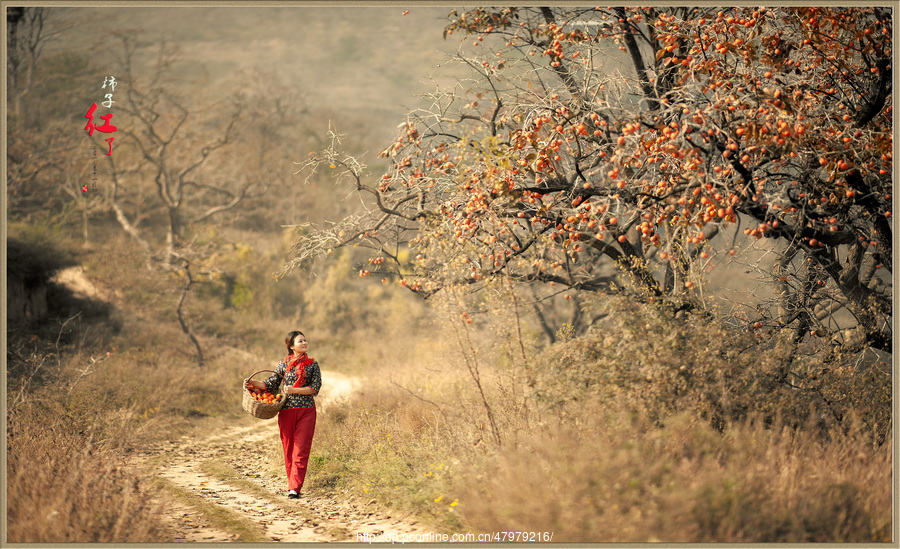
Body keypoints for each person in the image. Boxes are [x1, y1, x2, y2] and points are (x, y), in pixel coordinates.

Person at [244, 330, 322, 499]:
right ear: (291, 346)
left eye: (305, 340)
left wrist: (294, 390)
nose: (304, 342)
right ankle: (292, 483)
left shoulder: (313, 364)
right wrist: (251, 382)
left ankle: (295, 488)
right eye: (300, 341)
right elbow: (269, 385)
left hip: (306, 411)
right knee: (288, 450)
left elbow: (315, 388)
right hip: (286, 412)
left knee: (301, 449)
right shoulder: (283, 365)